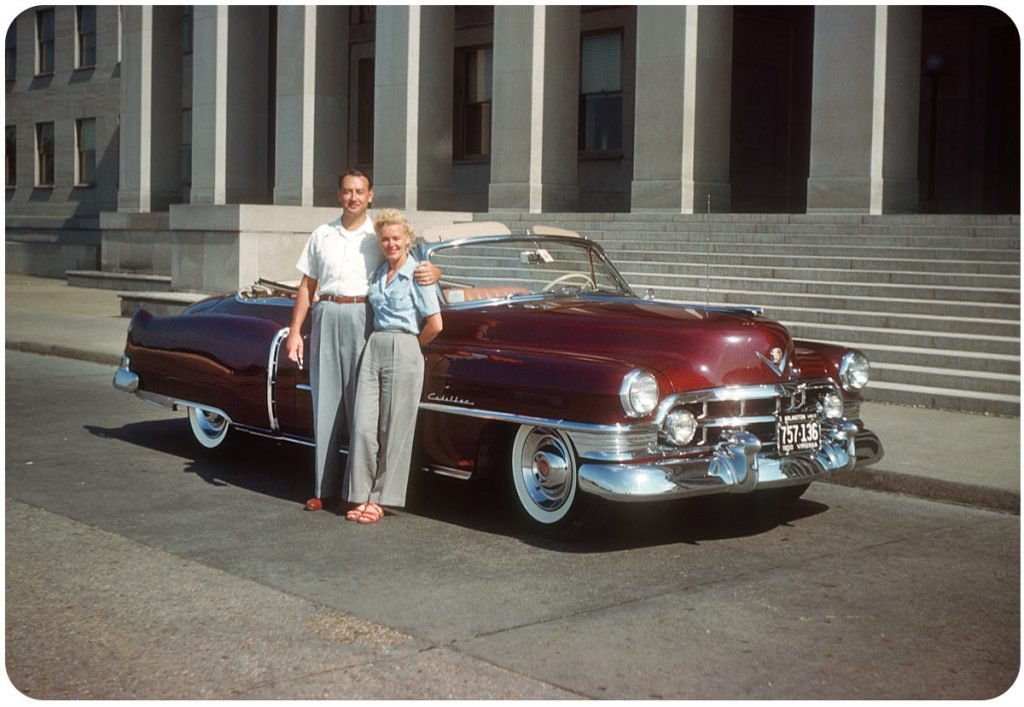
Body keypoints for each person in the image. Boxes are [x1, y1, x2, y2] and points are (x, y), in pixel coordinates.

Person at [285, 170, 437, 512]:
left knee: (362, 412)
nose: (353, 197)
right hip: (326, 313)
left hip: (363, 317)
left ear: (370, 195)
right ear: (339, 195)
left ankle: (357, 491)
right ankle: (323, 488)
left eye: (360, 191)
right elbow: (307, 286)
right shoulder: (322, 234)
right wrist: (295, 330)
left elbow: (413, 262)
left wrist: (435, 272)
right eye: (347, 191)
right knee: (325, 404)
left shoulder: (379, 235)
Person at [343, 209, 443, 524]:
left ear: (408, 239)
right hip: (374, 346)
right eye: (385, 239)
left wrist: (411, 345)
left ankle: (380, 499)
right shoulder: (378, 273)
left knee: (393, 428)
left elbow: (435, 324)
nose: (391, 244)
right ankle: (360, 493)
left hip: (405, 345)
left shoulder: (419, 274)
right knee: (362, 425)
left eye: (396, 238)